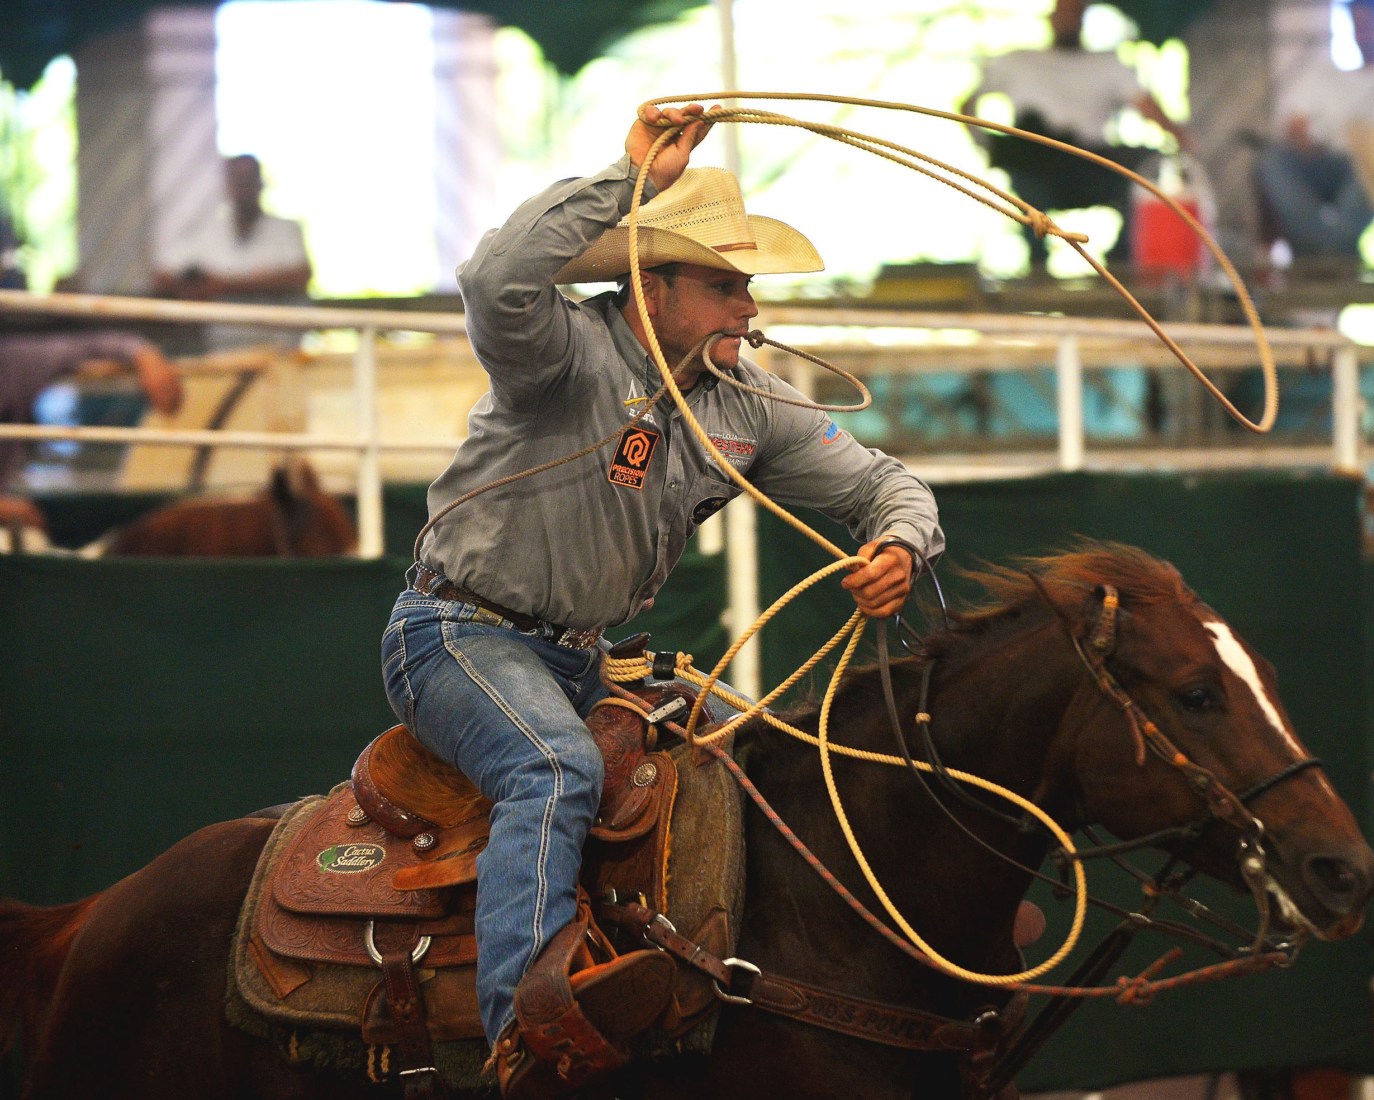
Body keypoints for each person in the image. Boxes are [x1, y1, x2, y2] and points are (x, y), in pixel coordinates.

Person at [379, 103, 945, 1091]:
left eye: (749, 288)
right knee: (553, 767)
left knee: (755, 754)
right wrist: (628, 177)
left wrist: (899, 539)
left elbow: (880, 482)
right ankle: (530, 1034)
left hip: (580, 653)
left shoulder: (747, 404)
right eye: (725, 286)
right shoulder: (565, 355)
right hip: (456, 632)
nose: (749, 309)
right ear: (651, 284)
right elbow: (492, 277)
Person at [960, 0, 1191, 276]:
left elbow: (1147, 107)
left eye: (1076, 13)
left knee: (1142, 170)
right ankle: (1037, 271)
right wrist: (986, 146)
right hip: (1036, 169)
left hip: (1091, 166)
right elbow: (968, 106)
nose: (1069, 20)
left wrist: (1183, 140)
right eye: (1064, 12)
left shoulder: (1107, 64)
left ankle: (1120, 267)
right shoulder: (1018, 62)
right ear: (1051, 17)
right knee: (1026, 185)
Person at [1255, 0, 1374, 265]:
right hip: (1328, 163)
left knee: (1367, 175)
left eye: (1368, 22)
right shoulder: (1323, 78)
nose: (1363, 30)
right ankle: (1334, 254)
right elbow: (1294, 126)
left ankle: (1319, 259)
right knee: (1272, 162)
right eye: (1358, 23)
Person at [0, 329, 183, 541]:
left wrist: (144, 354)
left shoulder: (10, 363)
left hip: (19, 506)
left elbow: (91, 347)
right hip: (14, 510)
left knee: (143, 507)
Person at [153, 153, 312, 349]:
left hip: (281, 349)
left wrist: (225, 285)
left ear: (260, 183)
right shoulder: (207, 232)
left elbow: (300, 275)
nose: (243, 188)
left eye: (248, 180)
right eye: (237, 181)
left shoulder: (285, 230)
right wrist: (194, 288)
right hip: (224, 349)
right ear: (227, 185)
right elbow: (163, 274)